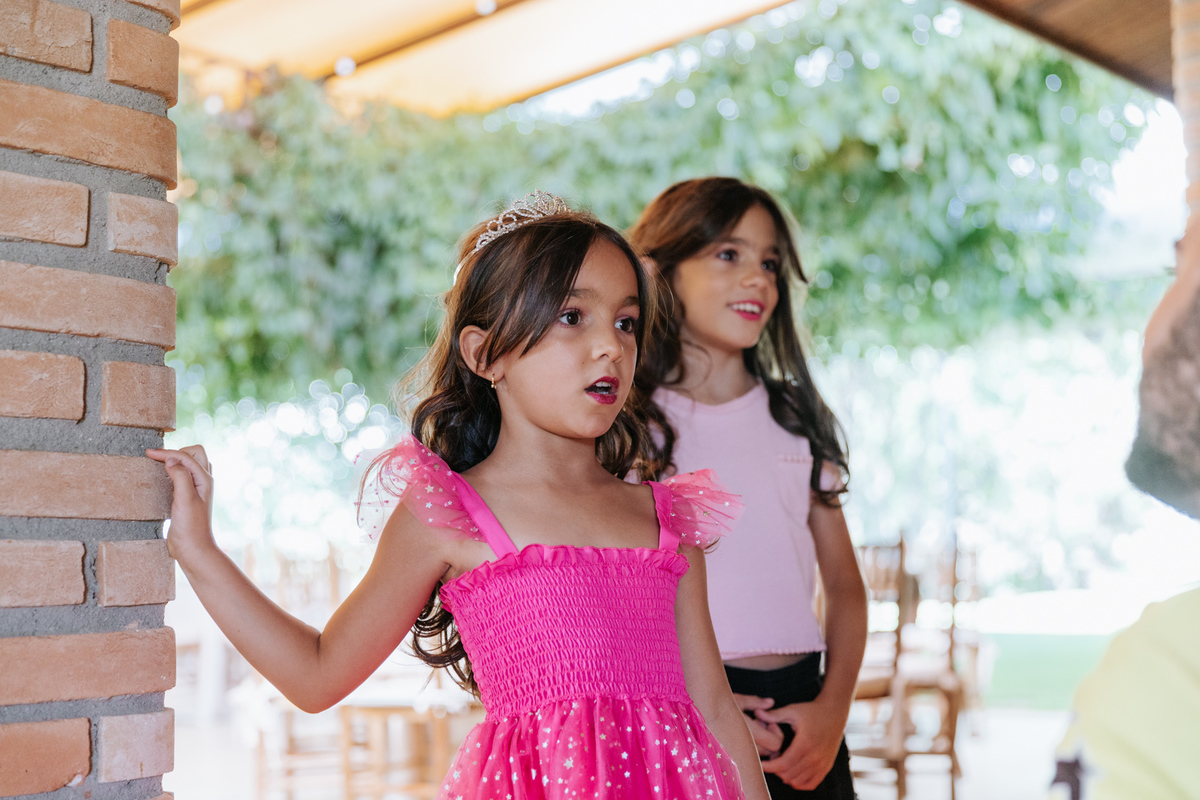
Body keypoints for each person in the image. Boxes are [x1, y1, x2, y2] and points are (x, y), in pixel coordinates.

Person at [147, 192, 771, 800]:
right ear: (484, 354)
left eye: (626, 322)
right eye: (571, 317)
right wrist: (199, 552)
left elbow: (715, 709)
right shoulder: (447, 515)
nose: (611, 345)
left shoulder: (666, 522)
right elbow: (316, 675)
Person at [629, 178, 867, 799]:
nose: (757, 279)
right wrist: (698, 701)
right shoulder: (628, 429)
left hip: (805, 719)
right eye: (728, 254)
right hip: (682, 712)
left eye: (769, 263)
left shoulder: (796, 417)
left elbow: (846, 589)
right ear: (661, 271)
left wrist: (832, 712)